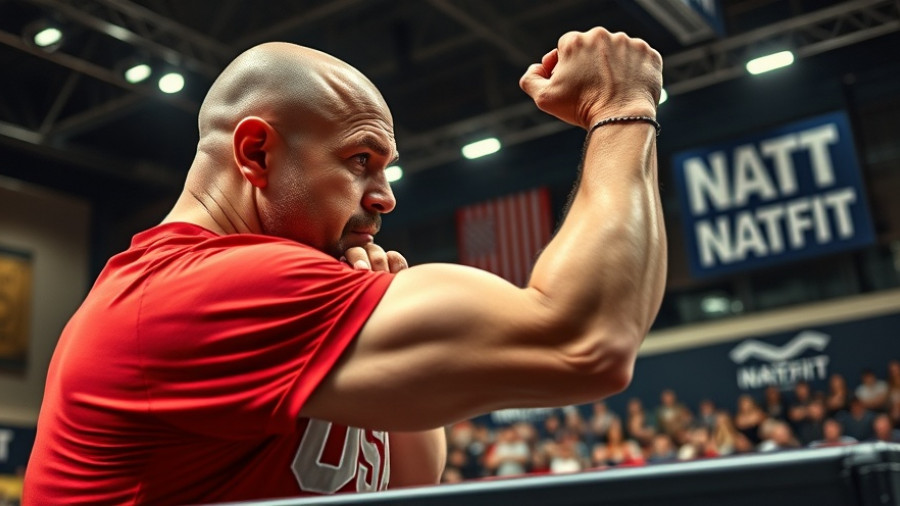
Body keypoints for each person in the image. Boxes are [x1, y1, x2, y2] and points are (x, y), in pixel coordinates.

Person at [24, 27, 666, 504]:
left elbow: (412, 478)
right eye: (362, 160)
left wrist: (369, 300)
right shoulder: (203, 289)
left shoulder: (261, 290)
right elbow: (585, 340)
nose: (385, 196)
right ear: (255, 152)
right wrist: (621, 110)